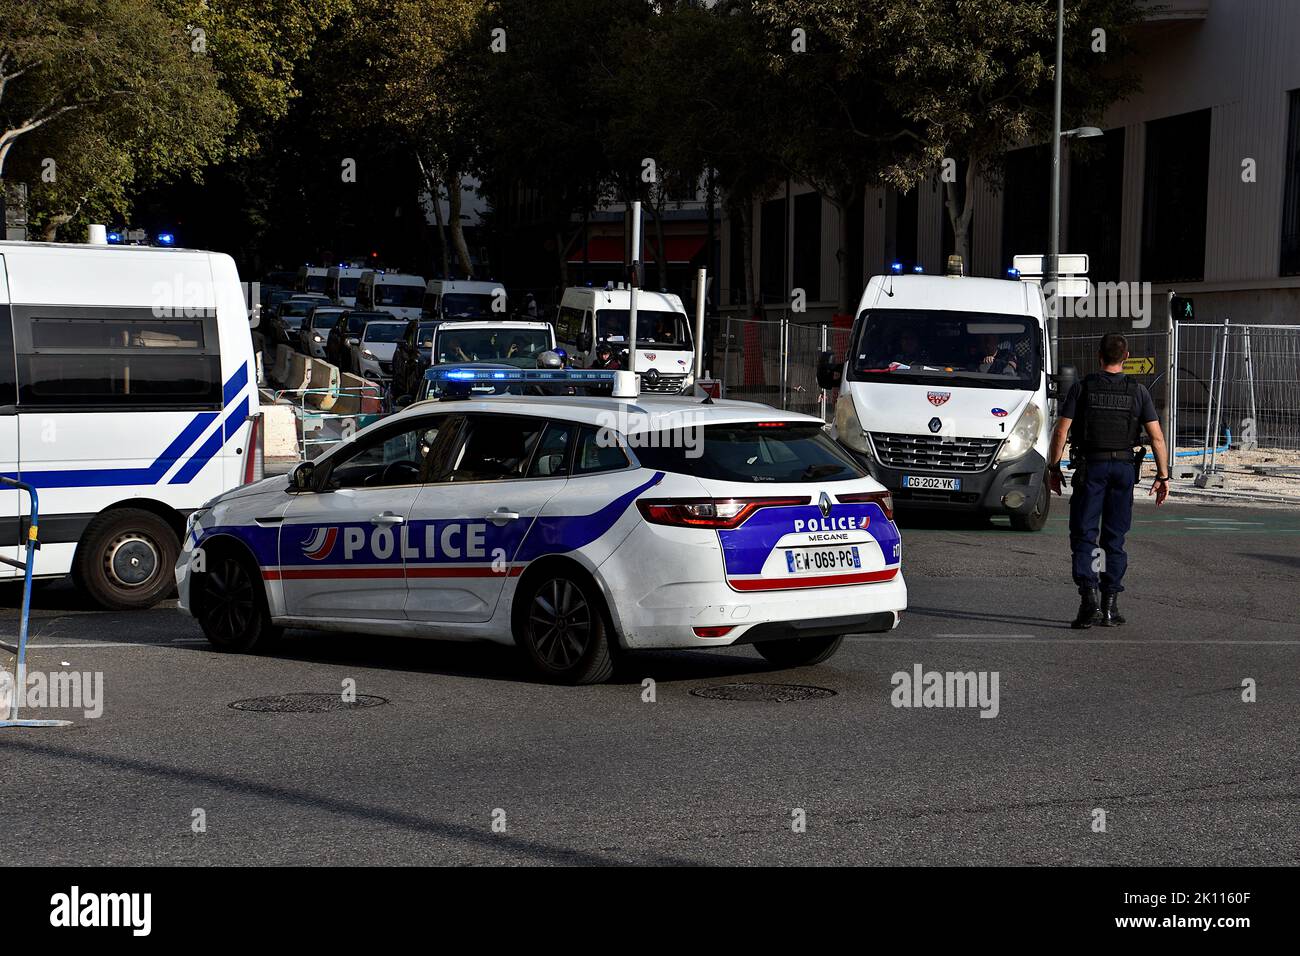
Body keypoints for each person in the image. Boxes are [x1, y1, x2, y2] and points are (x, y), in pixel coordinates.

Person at [1047, 332, 1170, 629]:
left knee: (1086, 536)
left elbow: (1061, 432)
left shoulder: (1082, 388)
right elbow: (1156, 437)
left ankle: (1088, 598)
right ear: (1126, 357)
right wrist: (1163, 476)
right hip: (1123, 470)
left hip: (1092, 468)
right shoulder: (1137, 391)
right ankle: (1110, 606)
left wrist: (1053, 467)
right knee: (1114, 538)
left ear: (1099, 357)